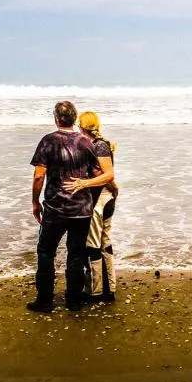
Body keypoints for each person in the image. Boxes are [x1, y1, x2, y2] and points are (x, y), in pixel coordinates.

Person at [28, 101, 112, 312]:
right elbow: (98, 175)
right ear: (74, 119)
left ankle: (45, 301)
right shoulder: (85, 142)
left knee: (46, 252)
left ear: (56, 119)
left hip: (55, 208)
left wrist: (35, 202)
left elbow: (39, 175)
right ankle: (73, 300)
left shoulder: (48, 141)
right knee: (75, 254)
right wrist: (88, 192)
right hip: (81, 209)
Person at [65, 111, 118, 302]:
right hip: (104, 198)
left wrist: (83, 183)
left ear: (81, 126)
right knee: (104, 243)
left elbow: (108, 175)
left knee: (94, 245)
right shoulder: (94, 145)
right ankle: (109, 289)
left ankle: (96, 291)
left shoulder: (99, 146)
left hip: (100, 200)